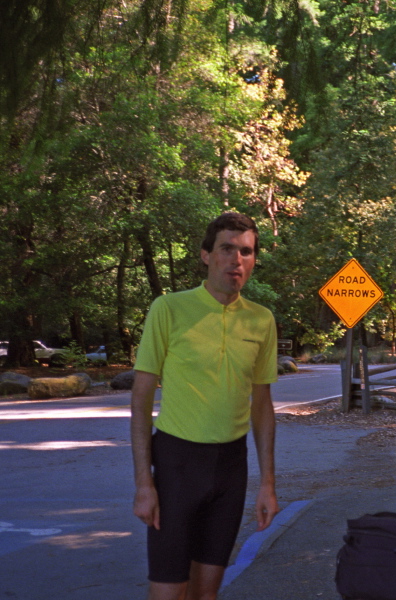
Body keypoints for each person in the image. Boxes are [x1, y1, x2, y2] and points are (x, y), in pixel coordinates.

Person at [130, 212, 279, 600]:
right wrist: (144, 483)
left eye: (245, 252)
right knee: (168, 592)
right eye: (227, 249)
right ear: (205, 255)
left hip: (230, 467)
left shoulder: (261, 321)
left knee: (206, 592)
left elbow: (262, 406)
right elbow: (141, 398)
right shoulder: (169, 309)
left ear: (253, 260)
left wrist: (267, 484)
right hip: (177, 463)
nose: (236, 260)